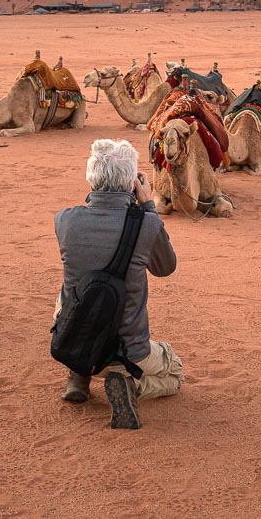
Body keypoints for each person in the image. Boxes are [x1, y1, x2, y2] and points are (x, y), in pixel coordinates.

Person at [54, 139, 183, 429]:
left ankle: (78, 375)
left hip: (75, 340)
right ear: (131, 183)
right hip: (129, 351)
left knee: (72, 287)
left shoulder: (65, 221)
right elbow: (166, 267)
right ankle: (130, 388)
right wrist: (148, 204)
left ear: (91, 177)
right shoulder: (146, 224)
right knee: (175, 372)